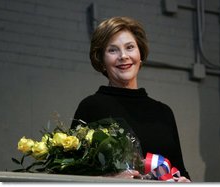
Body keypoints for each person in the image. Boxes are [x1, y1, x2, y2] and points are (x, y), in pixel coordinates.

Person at [71, 16, 191, 182]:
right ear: (101, 60)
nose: (123, 56)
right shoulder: (90, 107)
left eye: (130, 47)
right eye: (112, 50)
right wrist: (111, 180)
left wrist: (184, 181)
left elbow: (180, 169)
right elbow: (71, 175)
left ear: (140, 54)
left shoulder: (163, 112)